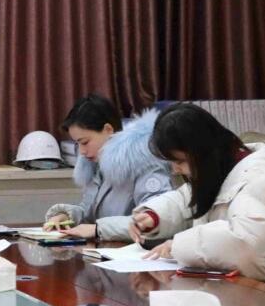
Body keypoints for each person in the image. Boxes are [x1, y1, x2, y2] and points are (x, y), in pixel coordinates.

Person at [133, 103, 265, 297]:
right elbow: (190, 197)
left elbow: (246, 241)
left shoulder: (256, 179)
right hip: (250, 290)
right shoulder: (224, 165)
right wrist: (154, 215)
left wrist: (177, 246)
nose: (175, 170)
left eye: (179, 161)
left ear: (202, 152)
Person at [43, 94, 173, 240]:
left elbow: (155, 218)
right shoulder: (96, 165)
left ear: (108, 129)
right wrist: (66, 216)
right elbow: (90, 213)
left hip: (136, 251)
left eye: (85, 142)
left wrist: (99, 229)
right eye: (77, 144)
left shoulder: (145, 163)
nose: (81, 151)